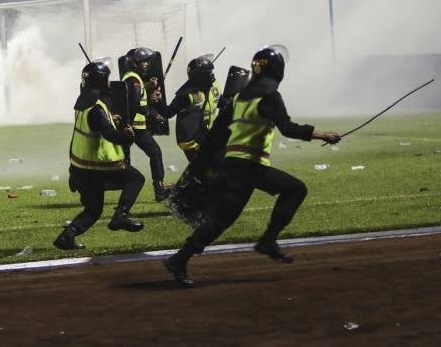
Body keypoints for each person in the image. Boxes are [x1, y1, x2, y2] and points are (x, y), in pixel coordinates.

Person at [163, 45, 341, 287]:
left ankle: (180, 258)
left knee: (222, 219)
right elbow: (288, 129)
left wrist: (202, 166)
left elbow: (216, 133)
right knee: (294, 190)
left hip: (233, 163)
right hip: (249, 167)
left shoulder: (240, 96)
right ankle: (266, 241)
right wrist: (322, 135)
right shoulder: (269, 96)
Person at [53, 60, 145, 250]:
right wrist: (126, 136)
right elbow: (109, 134)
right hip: (101, 165)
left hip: (80, 167)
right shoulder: (96, 108)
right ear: (102, 81)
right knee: (136, 179)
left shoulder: (82, 103)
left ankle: (66, 237)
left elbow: (95, 124)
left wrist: (111, 119)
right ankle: (121, 216)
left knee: (93, 210)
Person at [121, 47, 169, 201]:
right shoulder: (133, 79)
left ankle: (158, 189)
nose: (146, 63)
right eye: (142, 61)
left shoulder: (134, 78)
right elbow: (135, 104)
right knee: (154, 153)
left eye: (147, 60)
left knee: (126, 160)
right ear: (134, 62)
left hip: (134, 127)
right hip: (134, 127)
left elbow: (136, 99)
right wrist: (153, 114)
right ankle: (159, 189)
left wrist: (149, 93)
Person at [155, 54, 222, 161]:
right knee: (202, 171)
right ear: (200, 76)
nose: (212, 75)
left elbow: (222, 105)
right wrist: (158, 101)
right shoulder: (186, 94)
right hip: (193, 141)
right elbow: (167, 113)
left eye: (212, 72)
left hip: (211, 136)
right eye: (209, 73)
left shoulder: (215, 87)